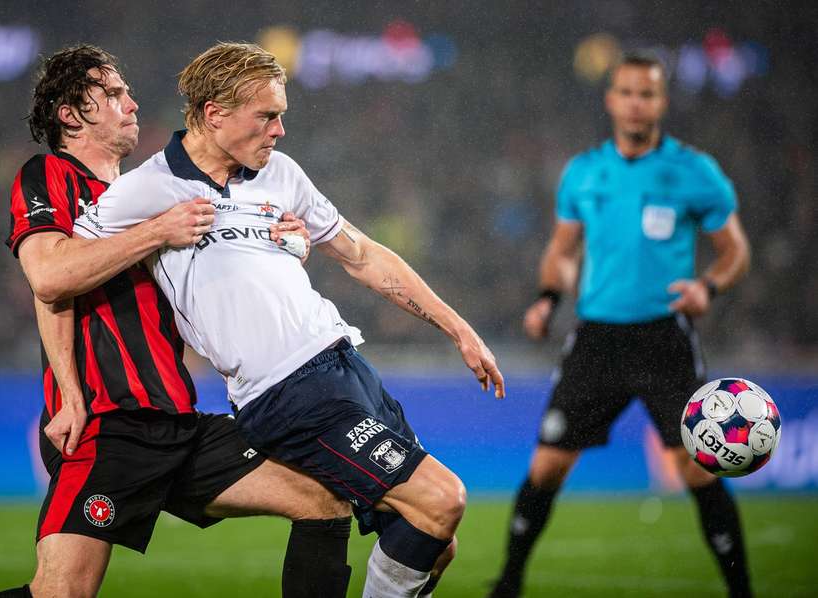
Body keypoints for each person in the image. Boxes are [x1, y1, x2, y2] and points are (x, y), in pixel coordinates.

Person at [73, 42, 506, 598]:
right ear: (214, 113)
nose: (278, 131)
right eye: (267, 116)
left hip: (346, 366)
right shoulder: (151, 187)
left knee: (433, 539)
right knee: (441, 498)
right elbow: (57, 270)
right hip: (285, 392)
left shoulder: (280, 174)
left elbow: (363, 254)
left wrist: (459, 329)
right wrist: (152, 235)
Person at [0, 45, 353, 598]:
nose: (131, 104)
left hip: (177, 420)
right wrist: (68, 393)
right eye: (111, 94)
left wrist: (286, 242)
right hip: (107, 424)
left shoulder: (152, 188)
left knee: (324, 498)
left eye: (127, 92)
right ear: (68, 113)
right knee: (61, 593)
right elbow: (49, 278)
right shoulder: (50, 175)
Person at [488, 54, 753, 598]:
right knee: (546, 467)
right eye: (627, 93)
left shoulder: (694, 172)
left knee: (699, 469)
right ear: (611, 100)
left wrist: (709, 286)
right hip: (596, 340)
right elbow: (563, 251)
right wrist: (546, 299)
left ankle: (742, 591)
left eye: (648, 94)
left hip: (663, 339)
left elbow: (736, 252)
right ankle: (509, 584)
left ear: (662, 102)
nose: (637, 103)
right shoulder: (584, 172)